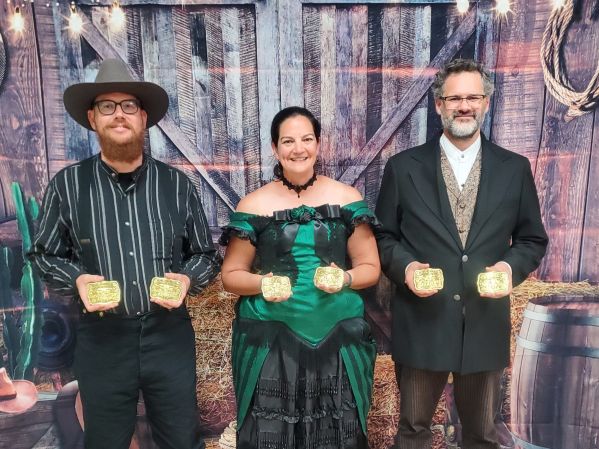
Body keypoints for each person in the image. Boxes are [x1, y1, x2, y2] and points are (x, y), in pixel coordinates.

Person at [28, 58, 220, 449]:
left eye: (129, 105)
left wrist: (187, 278)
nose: (119, 114)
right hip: (102, 339)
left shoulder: (177, 185)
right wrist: (77, 280)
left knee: (182, 440)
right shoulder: (68, 185)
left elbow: (206, 254)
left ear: (143, 117)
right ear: (92, 118)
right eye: (107, 106)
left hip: (168, 335)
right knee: (106, 442)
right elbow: (43, 254)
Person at [375, 59, 548, 449]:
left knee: (483, 435)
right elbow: (383, 237)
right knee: (414, 431)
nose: (464, 106)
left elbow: (531, 239)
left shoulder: (515, 168)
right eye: (454, 98)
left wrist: (508, 268)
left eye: (473, 97)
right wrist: (407, 268)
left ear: (486, 102)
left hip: (485, 322)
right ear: (439, 104)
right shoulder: (403, 168)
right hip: (422, 322)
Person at [220, 106, 380, 448]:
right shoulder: (254, 204)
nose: (298, 149)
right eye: (288, 141)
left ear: (318, 144)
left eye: (306, 139)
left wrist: (344, 279)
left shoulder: (347, 198)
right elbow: (231, 276)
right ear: (275, 148)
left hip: (338, 337)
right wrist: (263, 283)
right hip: (272, 339)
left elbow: (370, 268)